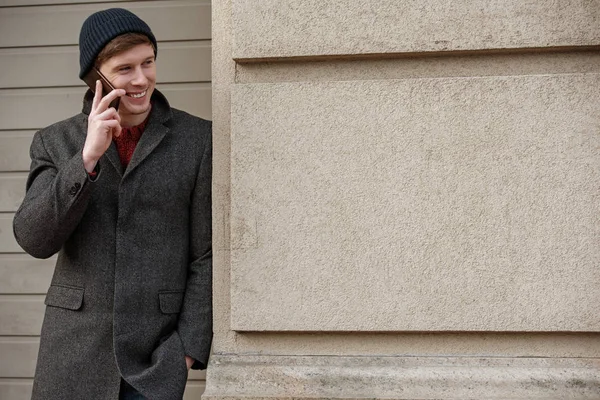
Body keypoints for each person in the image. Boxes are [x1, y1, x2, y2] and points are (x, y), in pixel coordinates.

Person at [13, 8, 212, 400]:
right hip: (73, 354)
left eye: (148, 63)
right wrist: (85, 160)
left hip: (156, 359)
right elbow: (34, 239)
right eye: (125, 69)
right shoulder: (55, 142)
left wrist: (187, 350)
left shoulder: (197, 140)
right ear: (96, 77)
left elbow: (206, 255)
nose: (142, 79)